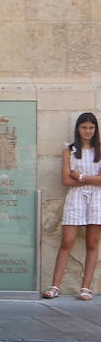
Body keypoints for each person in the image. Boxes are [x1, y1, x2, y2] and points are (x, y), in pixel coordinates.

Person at [45, 112, 101, 300]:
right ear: (78, 128)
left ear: (96, 129)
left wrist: (81, 177)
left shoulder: (100, 149)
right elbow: (66, 180)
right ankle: (55, 286)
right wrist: (91, 180)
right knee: (67, 241)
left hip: (97, 199)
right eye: (84, 127)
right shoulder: (69, 149)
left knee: (92, 242)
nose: (88, 131)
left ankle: (86, 287)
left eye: (91, 128)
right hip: (76, 197)